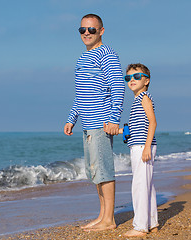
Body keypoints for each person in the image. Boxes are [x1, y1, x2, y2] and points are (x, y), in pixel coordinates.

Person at [64, 14, 125, 231]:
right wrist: (72, 118)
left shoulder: (106, 53)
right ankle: (102, 216)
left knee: (104, 171)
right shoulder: (82, 58)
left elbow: (118, 86)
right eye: (83, 30)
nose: (87, 33)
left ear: (101, 31)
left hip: (101, 123)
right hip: (87, 124)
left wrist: (113, 119)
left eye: (91, 29)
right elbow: (82, 94)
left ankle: (109, 220)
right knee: (95, 172)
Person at [119, 63, 158, 237]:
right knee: (146, 185)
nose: (132, 80)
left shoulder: (144, 97)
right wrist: (119, 130)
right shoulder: (137, 99)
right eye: (128, 77)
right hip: (139, 144)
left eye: (136, 77)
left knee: (140, 185)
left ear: (146, 80)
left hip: (143, 146)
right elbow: (136, 127)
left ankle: (141, 226)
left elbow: (153, 122)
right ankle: (152, 222)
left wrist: (147, 147)